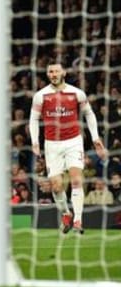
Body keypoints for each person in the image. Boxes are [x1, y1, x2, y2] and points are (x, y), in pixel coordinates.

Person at [29, 63, 106, 234]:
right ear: (47, 74)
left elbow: (89, 113)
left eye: (56, 71)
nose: (53, 74)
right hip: (52, 144)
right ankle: (66, 214)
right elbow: (33, 119)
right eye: (50, 71)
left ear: (63, 72)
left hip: (73, 142)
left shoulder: (76, 93)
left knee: (76, 179)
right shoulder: (40, 96)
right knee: (56, 186)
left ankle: (78, 219)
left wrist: (95, 138)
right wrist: (35, 141)